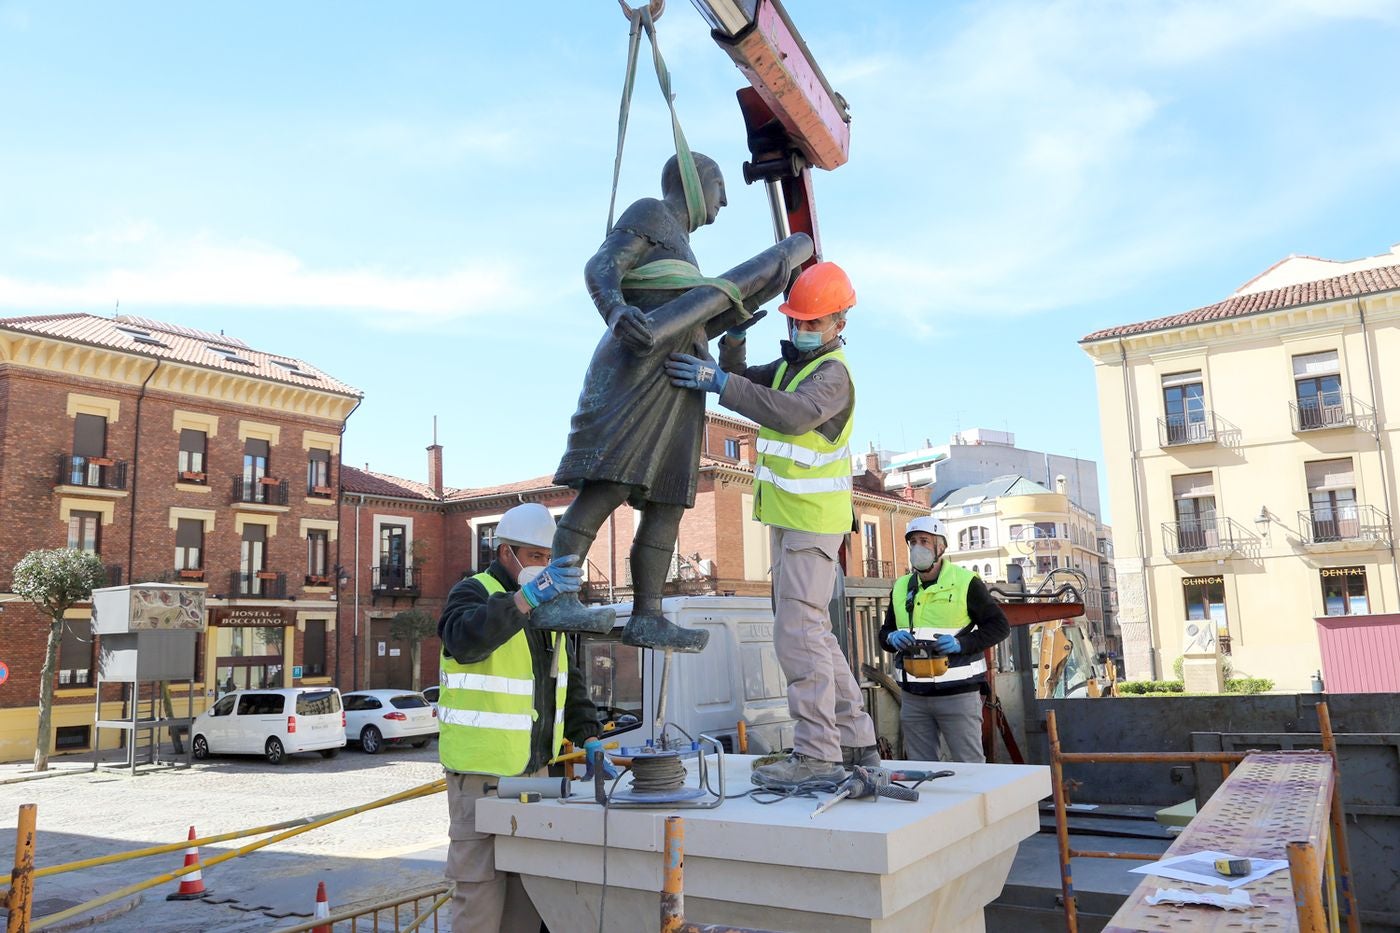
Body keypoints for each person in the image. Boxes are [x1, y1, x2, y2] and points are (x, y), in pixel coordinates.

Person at [538, 151, 813, 653]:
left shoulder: (684, 250)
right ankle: (557, 594)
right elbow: (601, 265)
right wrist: (615, 309)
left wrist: (733, 320)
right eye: (719, 186)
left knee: (668, 500)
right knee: (609, 483)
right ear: (694, 181)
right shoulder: (650, 213)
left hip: (679, 378)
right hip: (637, 368)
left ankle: (648, 615)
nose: (725, 200)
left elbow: (693, 316)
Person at [665, 260, 879, 786]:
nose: (801, 331)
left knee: (796, 636)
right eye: (796, 322)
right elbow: (746, 384)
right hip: (792, 523)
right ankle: (856, 743)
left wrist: (718, 381)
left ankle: (817, 756)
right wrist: (732, 343)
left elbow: (787, 413)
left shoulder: (832, 376)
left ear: (839, 324)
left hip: (811, 524)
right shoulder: (795, 368)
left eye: (812, 323)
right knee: (816, 636)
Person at [435, 502, 611, 933]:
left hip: (536, 777)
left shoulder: (551, 610)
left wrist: (589, 736)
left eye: (549, 558)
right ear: (505, 553)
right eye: (535, 557)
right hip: (481, 780)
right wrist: (523, 599)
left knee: (528, 899)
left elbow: (568, 682)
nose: (544, 566)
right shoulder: (472, 592)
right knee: (480, 898)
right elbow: (465, 640)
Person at [880, 516, 1010, 763]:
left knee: (970, 766)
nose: (918, 547)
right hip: (914, 696)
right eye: (914, 542)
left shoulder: (966, 582)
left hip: (958, 694)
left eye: (925, 541)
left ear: (941, 547)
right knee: (922, 770)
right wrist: (891, 638)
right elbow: (884, 634)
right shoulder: (900, 587)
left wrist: (962, 644)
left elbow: (1000, 627)